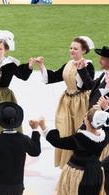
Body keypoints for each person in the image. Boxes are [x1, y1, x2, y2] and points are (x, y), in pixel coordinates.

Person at [35, 36, 95, 168]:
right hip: (66, 101)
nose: (72, 50)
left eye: (75, 48)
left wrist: (81, 69)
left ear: (84, 50)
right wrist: (41, 65)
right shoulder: (68, 64)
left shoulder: (88, 65)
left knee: (78, 131)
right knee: (64, 130)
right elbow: (51, 78)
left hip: (81, 103)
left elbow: (89, 85)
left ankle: (79, 164)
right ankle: (67, 163)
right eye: (71, 48)